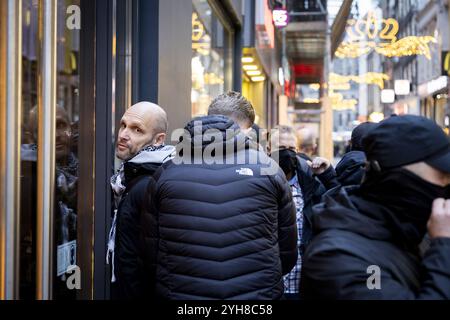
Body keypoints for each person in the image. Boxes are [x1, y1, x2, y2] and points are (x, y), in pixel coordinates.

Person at [149, 93, 298, 300]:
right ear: (246, 130)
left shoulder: (166, 173)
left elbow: (150, 252)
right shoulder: (269, 169)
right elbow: (288, 253)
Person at [301, 115, 450, 299]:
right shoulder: (339, 257)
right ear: (400, 179)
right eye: (443, 176)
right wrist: (444, 247)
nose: (446, 185)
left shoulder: (414, 229)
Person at [107, 101, 175, 299]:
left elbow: (151, 261)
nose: (123, 135)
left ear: (158, 140)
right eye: (123, 125)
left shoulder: (149, 183)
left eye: (137, 130)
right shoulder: (130, 175)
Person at [269, 125, 339, 299]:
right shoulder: (259, 182)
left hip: (304, 283)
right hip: (270, 285)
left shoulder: (310, 184)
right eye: (281, 148)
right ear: (269, 150)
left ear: (298, 150)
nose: (287, 153)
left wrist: (327, 174)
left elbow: (339, 206)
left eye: (291, 148)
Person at [335, 122, 377, 186]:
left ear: (351, 142)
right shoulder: (380, 169)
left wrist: (327, 173)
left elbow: (334, 189)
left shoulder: (345, 162)